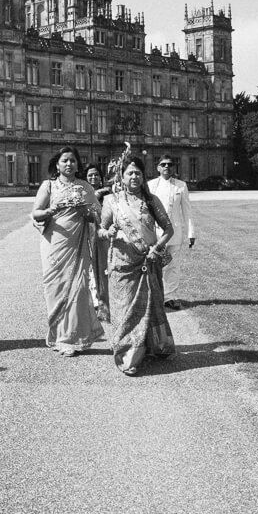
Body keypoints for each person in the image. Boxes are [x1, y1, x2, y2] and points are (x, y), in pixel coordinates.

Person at [98, 153, 177, 376]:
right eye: (129, 173)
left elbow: (169, 230)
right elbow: (100, 231)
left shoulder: (151, 201)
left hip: (147, 261)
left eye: (138, 173)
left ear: (143, 176)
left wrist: (156, 248)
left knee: (151, 306)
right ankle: (127, 354)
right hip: (122, 266)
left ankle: (154, 346)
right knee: (125, 311)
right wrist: (109, 231)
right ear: (121, 177)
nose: (134, 176)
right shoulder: (111, 201)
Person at [31, 146, 104, 356]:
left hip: (77, 243)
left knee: (78, 290)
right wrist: (49, 210)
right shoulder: (49, 186)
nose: (69, 164)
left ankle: (70, 338)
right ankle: (57, 335)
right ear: (57, 164)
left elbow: (99, 215)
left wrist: (89, 213)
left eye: (73, 160)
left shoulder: (85, 187)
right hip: (53, 244)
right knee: (54, 289)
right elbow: (36, 213)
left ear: (77, 164)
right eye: (65, 161)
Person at [147, 154, 195, 310]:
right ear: (158, 167)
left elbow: (187, 211)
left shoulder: (181, 186)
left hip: (175, 233)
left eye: (169, 164)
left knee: (173, 265)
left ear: (173, 167)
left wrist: (191, 233)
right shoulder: (151, 185)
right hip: (156, 233)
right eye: (163, 164)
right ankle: (154, 296)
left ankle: (170, 297)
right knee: (154, 265)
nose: (166, 167)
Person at [84, 163, 112, 320]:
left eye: (96, 175)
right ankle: (94, 300)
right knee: (90, 266)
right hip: (87, 233)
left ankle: (104, 300)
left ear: (101, 178)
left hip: (103, 233)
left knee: (104, 265)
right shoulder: (81, 192)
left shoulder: (108, 193)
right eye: (90, 175)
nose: (93, 178)